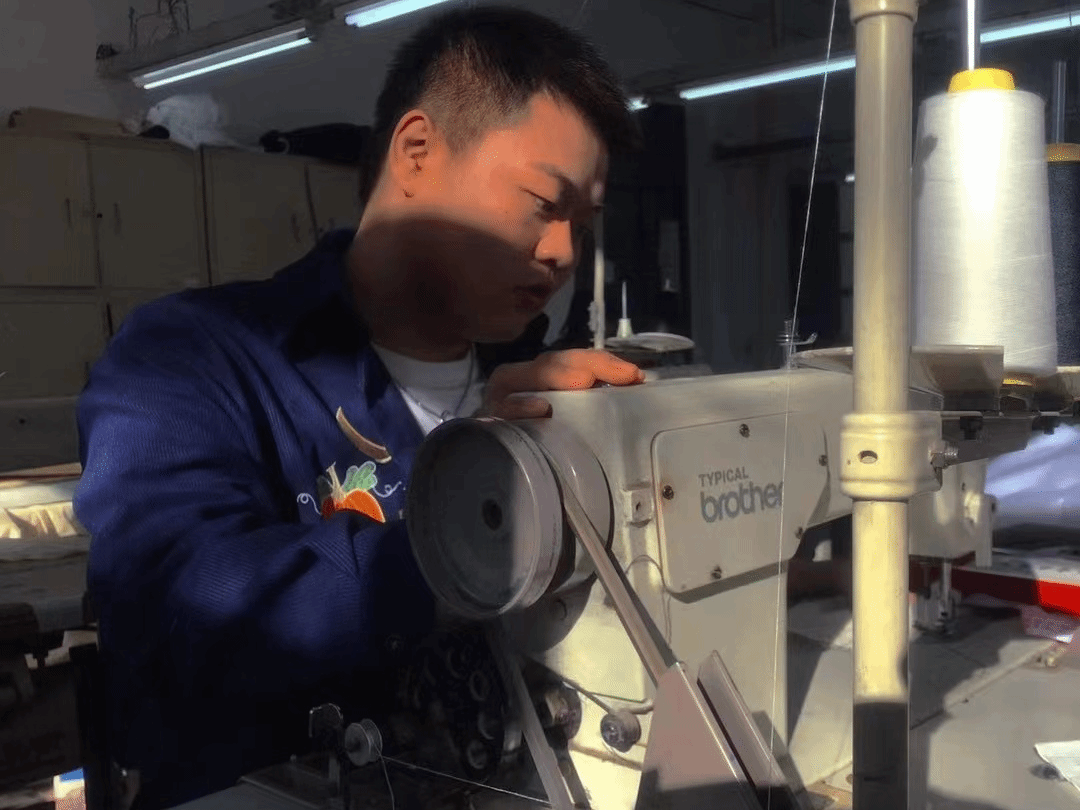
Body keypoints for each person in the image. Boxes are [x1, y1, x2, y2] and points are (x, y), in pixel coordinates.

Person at [73, 7, 643, 809]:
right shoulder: (188, 361)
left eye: (581, 225)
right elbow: (177, 622)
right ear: (416, 153)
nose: (561, 253)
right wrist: (466, 520)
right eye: (544, 203)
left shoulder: (548, 395)